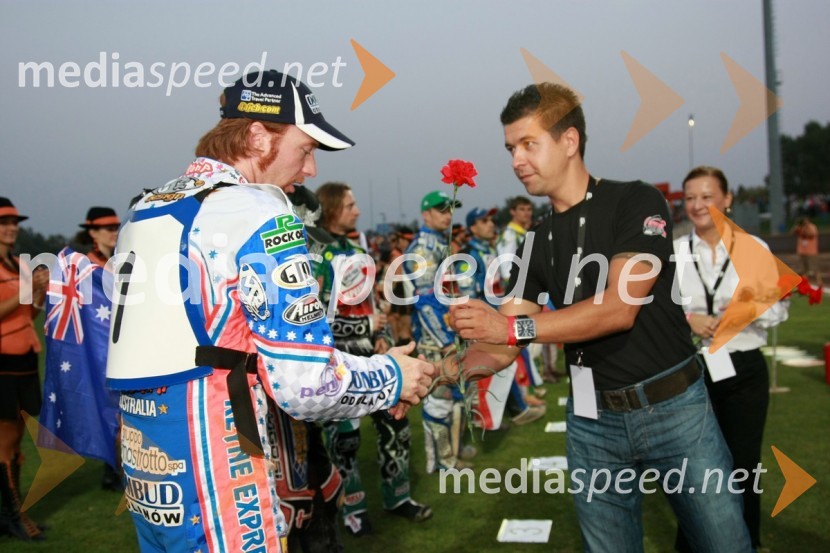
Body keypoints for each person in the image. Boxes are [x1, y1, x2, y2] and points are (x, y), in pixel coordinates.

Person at [105, 70, 434, 553]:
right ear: (257, 137)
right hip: (218, 468)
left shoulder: (149, 206)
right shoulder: (255, 211)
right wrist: (393, 378)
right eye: (306, 149)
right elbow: (306, 384)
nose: (311, 171)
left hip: (149, 459)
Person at [449, 82, 752, 552]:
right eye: (511, 148)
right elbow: (500, 346)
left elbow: (618, 308)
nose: (516, 161)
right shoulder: (537, 239)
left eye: (529, 144)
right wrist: (433, 374)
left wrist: (510, 327)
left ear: (569, 141)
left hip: (674, 408)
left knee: (724, 543)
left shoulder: (636, 201)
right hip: (592, 423)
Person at [673, 166, 788, 551]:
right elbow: (662, 312)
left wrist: (740, 310)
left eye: (706, 196)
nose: (697, 205)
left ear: (727, 199)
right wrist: (691, 318)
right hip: (691, 372)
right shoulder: (674, 251)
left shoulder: (753, 247)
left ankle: (746, 541)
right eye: (690, 198)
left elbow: (777, 311)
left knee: (743, 465)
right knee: (693, 468)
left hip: (743, 369)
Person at [309, 182, 431, 536]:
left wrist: (379, 335)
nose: (357, 210)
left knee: (396, 426)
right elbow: (311, 315)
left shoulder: (355, 246)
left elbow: (371, 306)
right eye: (350, 204)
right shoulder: (314, 253)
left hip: (373, 355)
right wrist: (364, 323)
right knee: (344, 441)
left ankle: (398, 497)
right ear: (331, 208)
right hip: (337, 362)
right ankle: (352, 508)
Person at [404, 190, 474, 472]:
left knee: (458, 394)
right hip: (435, 340)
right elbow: (425, 303)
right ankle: (443, 462)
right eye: (441, 210)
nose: (448, 215)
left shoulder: (442, 244)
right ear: (426, 214)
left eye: (450, 209)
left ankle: (452, 453)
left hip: (451, 333)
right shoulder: (422, 248)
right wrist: (445, 341)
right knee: (440, 400)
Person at [458, 207, 544, 427]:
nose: (490, 224)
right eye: (483, 221)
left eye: (490, 220)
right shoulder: (469, 254)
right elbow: (469, 295)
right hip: (485, 322)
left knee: (507, 364)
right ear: (473, 228)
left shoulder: (488, 248)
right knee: (490, 367)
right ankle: (495, 414)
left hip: (498, 316)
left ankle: (515, 407)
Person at [0, 197, 47, 541]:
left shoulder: (18, 265)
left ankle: (12, 513)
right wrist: (26, 293)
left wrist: (40, 294)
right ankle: (12, 515)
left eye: (14, 223)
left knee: (17, 443)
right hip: (3, 363)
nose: (12, 228)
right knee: (3, 442)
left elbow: (27, 315)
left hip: (27, 360)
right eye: (4, 223)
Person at [75, 206, 123, 491]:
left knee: (121, 411)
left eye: (116, 227)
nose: (114, 233)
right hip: (98, 350)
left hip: (121, 347)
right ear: (92, 232)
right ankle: (112, 469)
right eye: (107, 229)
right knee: (109, 410)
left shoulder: (120, 261)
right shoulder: (84, 268)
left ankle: (113, 469)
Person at [792, 216, 822, 287]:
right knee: (803, 269)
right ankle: (805, 283)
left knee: (815, 268)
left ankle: (819, 282)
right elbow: (793, 232)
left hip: (811, 252)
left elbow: (811, 234)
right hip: (802, 251)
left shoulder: (812, 227)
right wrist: (798, 225)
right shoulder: (800, 227)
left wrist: (806, 227)